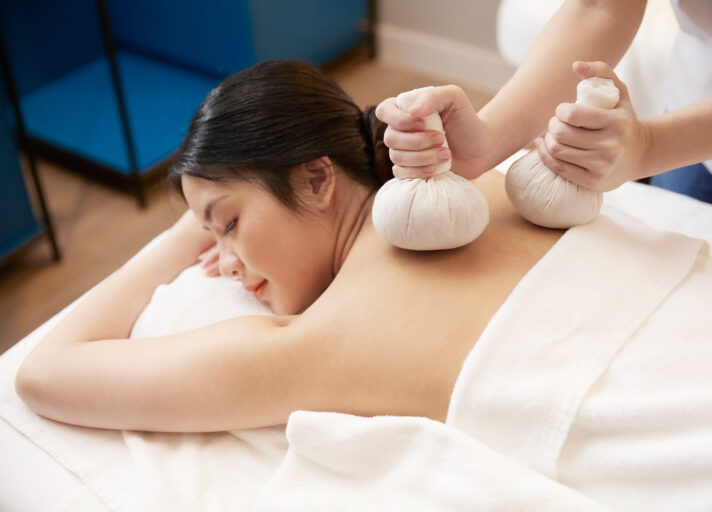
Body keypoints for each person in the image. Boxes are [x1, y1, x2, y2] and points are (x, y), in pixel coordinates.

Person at [14, 60, 562, 432]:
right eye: (210, 235)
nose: (224, 265)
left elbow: (43, 374)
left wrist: (182, 234)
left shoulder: (320, 346)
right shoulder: (491, 187)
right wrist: (213, 218)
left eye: (228, 223)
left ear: (318, 179)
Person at [375, 0, 712, 220]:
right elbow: (602, 6)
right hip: (704, 135)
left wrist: (651, 146)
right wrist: (489, 136)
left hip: (685, 140)